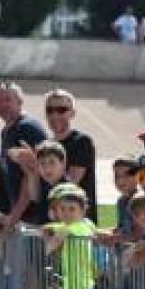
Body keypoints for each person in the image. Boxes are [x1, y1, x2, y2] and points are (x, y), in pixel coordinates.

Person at [0, 82, 48, 222]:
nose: (2, 105)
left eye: (7, 99)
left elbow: (28, 173)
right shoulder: (7, 131)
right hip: (19, 214)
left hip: (33, 216)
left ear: (20, 101)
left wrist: (14, 216)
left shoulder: (27, 128)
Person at [43, 89, 97, 224]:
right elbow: (35, 192)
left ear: (72, 113)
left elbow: (70, 184)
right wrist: (31, 169)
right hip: (52, 225)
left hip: (78, 228)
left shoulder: (81, 142)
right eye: (50, 110)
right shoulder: (46, 146)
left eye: (61, 110)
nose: (55, 115)